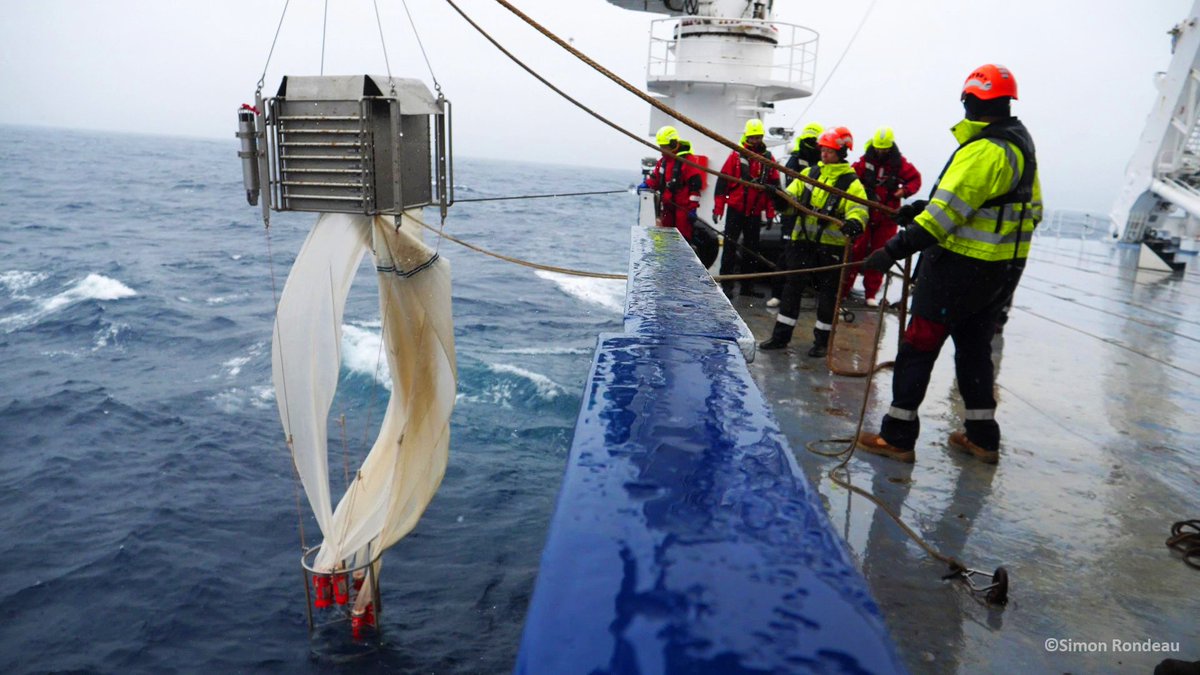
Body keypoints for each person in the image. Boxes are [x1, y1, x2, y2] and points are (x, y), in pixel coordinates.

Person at [856, 64, 1042, 464]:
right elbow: (1013, 208)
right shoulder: (1019, 147)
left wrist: (890, 252)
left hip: (959, 271)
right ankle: (982, 437)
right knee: (974, 351)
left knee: (918, 346)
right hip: (999, 273)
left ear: (970, 101)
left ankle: (898, 435)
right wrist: (927, 207)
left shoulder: (981, 151)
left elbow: (941, 222)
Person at [759, 126, 868, 357]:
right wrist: (777, 196)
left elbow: (859, 210)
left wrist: (855, 222)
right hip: (802, 242)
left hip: (831, 246)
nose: (824, 154)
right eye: (823, 149)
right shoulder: (810, 174)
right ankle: (780, 337)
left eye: (829, 150)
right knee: (792, 289)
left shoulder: (851, 183)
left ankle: (822, 342)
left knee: (828, 295)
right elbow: (791, 201)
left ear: (842, 152)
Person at [845, 127, 922, 306]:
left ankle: (871, 293)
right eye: (878, 148)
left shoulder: (900, 164)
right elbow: (850, 177)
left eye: (884, 148)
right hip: (866, 213)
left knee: (881, 253)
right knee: (855, 251)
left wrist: (904, 191)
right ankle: (844, 290)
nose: (880, 151)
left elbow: (915, 179)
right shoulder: (864, 163)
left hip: (887, 217)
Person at [714, 119, 781, 296]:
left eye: (758, 137)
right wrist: (718, 208)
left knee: (752, 250)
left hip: (754, 212)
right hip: (736, 210)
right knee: (730, 246)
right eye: (752, 137)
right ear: (746, 137)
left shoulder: (768, 159)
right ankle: (727, 284)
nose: (755, 140)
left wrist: (771, 212)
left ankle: (747, 286)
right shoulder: (736, 157)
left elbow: (773, 187)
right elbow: (722, 183)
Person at [768, 122, 824, 308]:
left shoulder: (821, 163)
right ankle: (778, 293)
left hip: (811, 217)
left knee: (809, 254)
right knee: (786, 253)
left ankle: (803, 291)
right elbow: (793, 187)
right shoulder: (795, 160)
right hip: (792, 214)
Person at [641, 125, 703, 242]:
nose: (662, 149)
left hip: (683, 210)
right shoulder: (663, 161)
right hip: (668, 208)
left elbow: (695, 186)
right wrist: (647, 184)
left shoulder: (687, 161)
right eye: (661, 146)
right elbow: (656, 178)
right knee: (666, 239)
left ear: (673, 144)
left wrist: (692, 209)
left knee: (682, 239)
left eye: (664, 147)